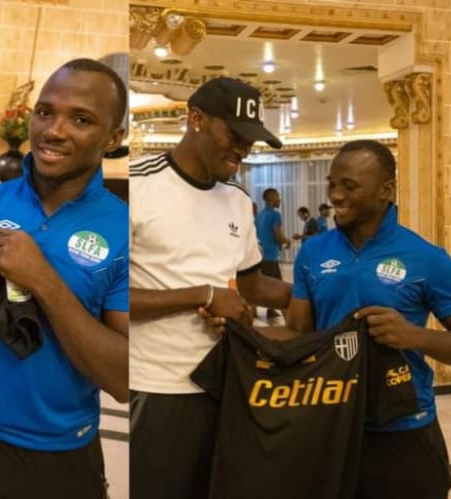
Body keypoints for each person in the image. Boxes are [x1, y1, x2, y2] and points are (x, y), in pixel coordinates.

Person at [0, 58, 128, 499]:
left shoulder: (124, 229)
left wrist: (42, 279)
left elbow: (122, 378)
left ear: (113, 138)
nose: (54, 130)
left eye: (81, 119)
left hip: (60, 456)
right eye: (45, 112)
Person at [128, 77, 292, 499]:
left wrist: (315, 292)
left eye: (251, 141)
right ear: (196, 119)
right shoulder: (137, 187)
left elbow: (252, 282)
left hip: (227, 383)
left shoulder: (238, 200)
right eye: (235, 136)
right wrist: (201, 296)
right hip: (158, 388)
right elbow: (106, 296)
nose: (243, 150)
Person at [286, 140, 451, 499]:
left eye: (349, 186)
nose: (335, 195)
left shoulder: (428, 258)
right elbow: (298, 333)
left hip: (406, 433)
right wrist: (239, 331)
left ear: (386, 190)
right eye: (332, 184)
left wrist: (414, 336)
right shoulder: (313, 251)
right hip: (331, 425)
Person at [255, 187, 290, 319]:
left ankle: (269, 310)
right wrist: (287, 241)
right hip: (271, 256)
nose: (279, 199)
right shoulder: (275, 215)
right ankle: (289, 320)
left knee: (265, 283)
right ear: (270, 199)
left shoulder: (260, 215)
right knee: (278, 287)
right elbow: (278, 236)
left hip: (261, 255)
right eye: (277, 196)